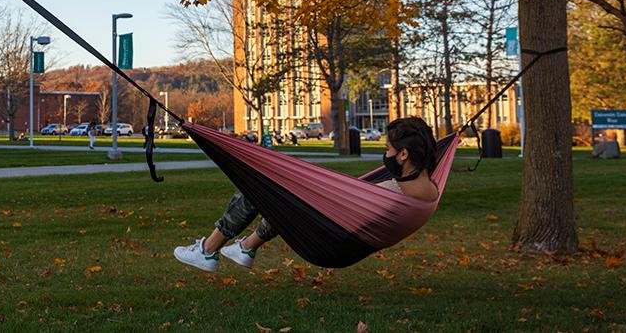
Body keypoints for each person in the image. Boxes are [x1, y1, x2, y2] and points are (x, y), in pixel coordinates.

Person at [174, 116, 439, 272]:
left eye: (389, 149)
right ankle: (246, 248)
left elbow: (340, 204)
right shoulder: (430, 190)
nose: (386, 155)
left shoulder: (393, 191)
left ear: (404, 154)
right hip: (342, 235)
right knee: (280, 197)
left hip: (331, 241)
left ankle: (208, 250)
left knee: (260, 185)